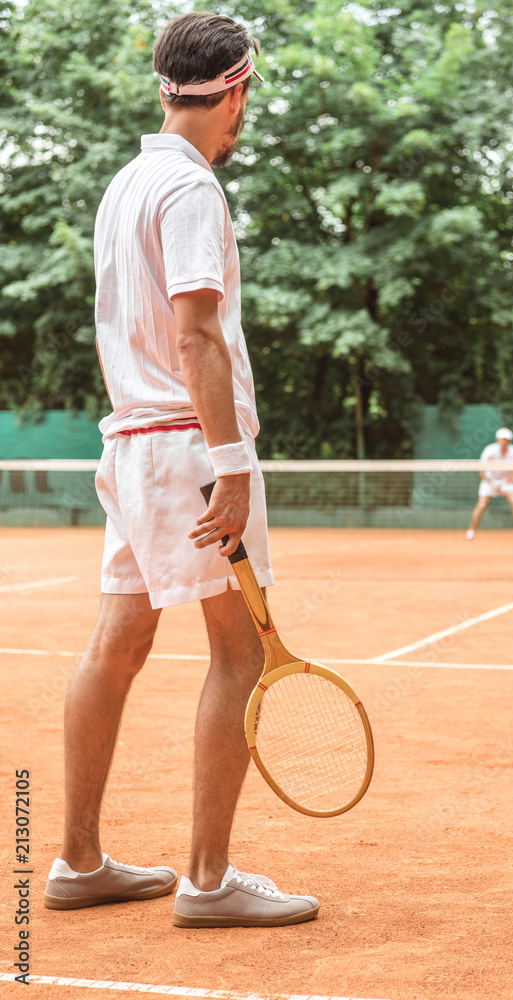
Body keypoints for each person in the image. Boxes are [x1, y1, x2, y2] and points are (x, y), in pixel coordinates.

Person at [44, 12, 319, 929]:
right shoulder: (193, 188)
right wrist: (231, 461)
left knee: (114, 646)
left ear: (167, 85)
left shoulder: (127, 182)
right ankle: (207, 880)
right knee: (240, 653)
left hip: (130, 445)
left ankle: (79, 860)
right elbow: (195, 330)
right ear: (236, 90)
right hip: (192, 447)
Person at [466, 428, 513, 540]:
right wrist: (491, 484)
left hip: (507, 481)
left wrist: (506, 482)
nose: (504, 441)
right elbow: (481, 470)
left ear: (509, 440)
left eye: (506, 439)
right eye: (502, 439)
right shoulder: (489, 450)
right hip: (489, 480)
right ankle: (471, 530)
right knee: (481, 506)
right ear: (497, 439)